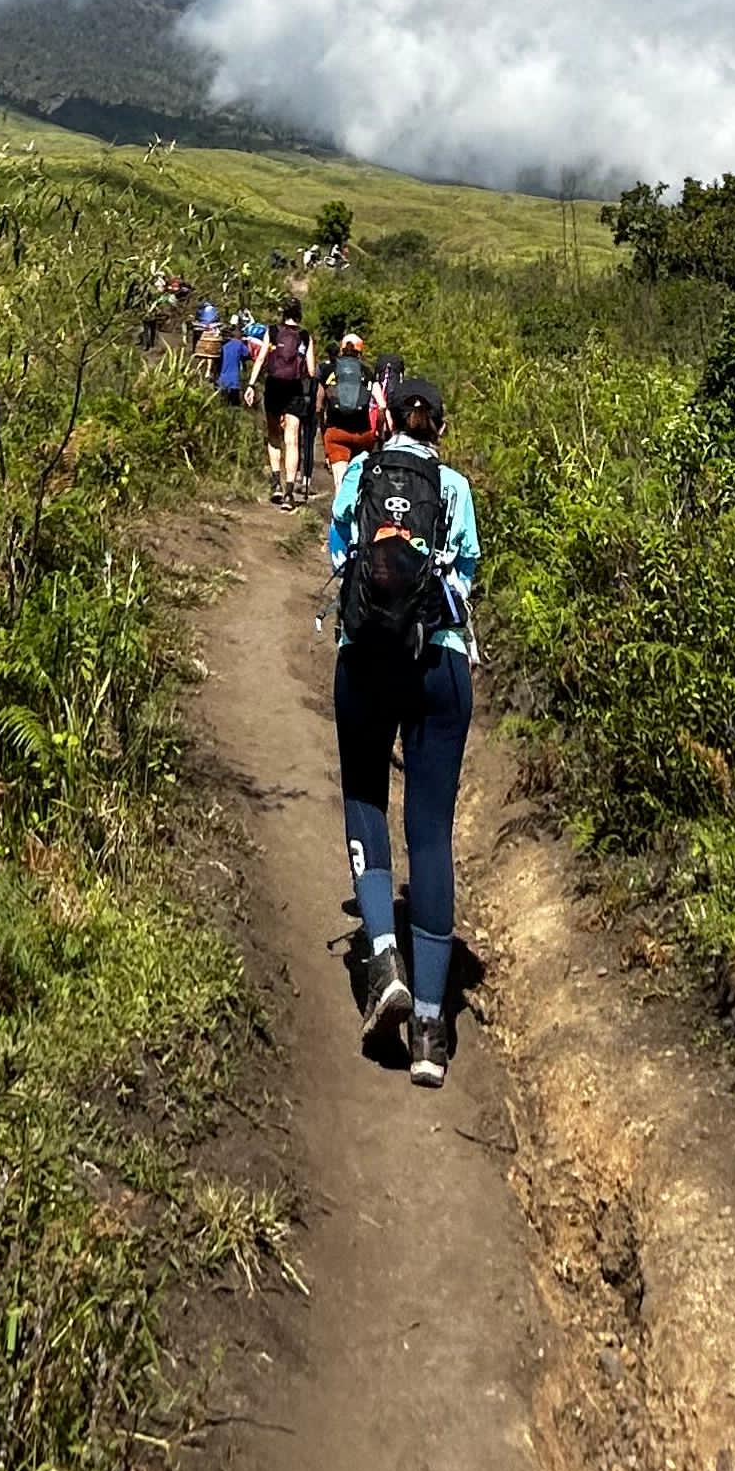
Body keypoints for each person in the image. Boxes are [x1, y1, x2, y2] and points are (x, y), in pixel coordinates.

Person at [327, 375, 480, 1091]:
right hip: (440, 664)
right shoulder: (456, 490)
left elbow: (339, 560)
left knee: (364, 792)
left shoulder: (360, 473)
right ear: (439, 428)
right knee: (431, 832)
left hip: (366, 661)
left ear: (386, 417)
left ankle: (382, 957)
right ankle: (429, 1029)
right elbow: (466, 581)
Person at [259, 292, 316, 505]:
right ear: (299, 314)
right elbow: (310, 371)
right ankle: (290, 492)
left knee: (274, 436)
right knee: (292, 440)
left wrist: (251, 383)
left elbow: (262, 358)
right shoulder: (304, 336)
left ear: (283, 313)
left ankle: (275, 483)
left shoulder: (272, 331)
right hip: (294, 389)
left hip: (273, 387)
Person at [318, 332, 376, 492]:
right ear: (360, 352)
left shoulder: (329, 369)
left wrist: (322, 426)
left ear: (341, 350)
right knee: (359, 481)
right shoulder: (368, 372)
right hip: (363, 433)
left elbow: (318, 405)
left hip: (336, 431)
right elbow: (382, 405)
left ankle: (342, 514)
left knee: (340, 483)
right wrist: (377, 430)